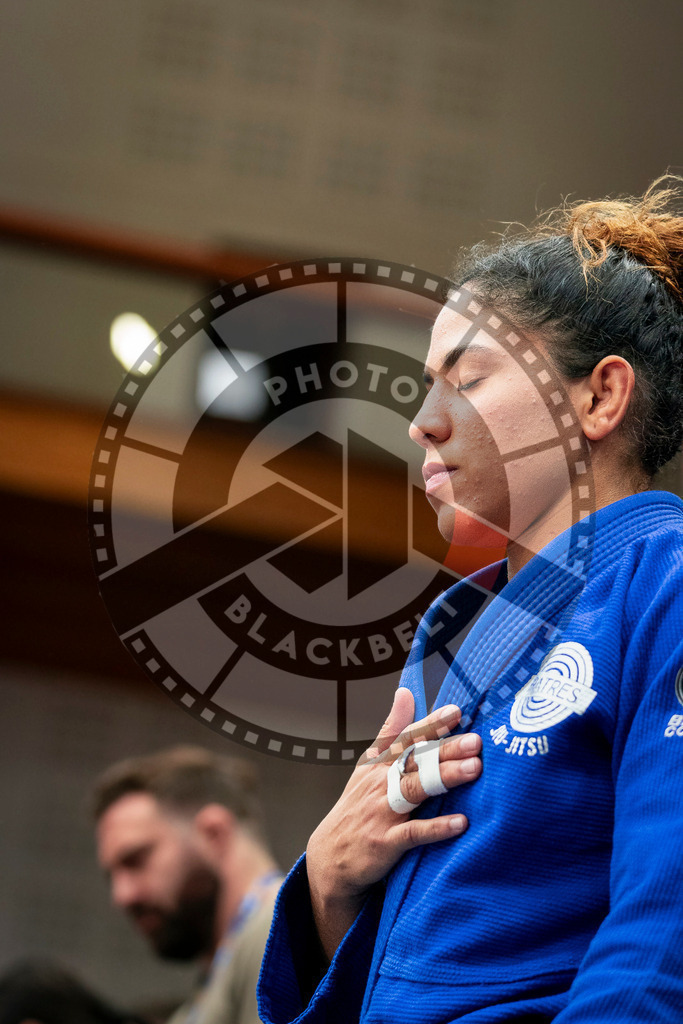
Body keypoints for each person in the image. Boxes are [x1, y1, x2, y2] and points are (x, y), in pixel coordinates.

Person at [257, 178, 683, 1023]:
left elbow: (662, 934)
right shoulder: (456, 623)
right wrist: (328, 883)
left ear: (598, 398)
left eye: (468, 378)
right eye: (424, 384)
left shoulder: (662, 585)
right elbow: (406, 948)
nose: (421, 421)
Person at [0, 746, 282, 1024]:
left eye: (136, 860)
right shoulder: (228, 964)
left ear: (214, 834)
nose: (121, 895)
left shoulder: (276, 932)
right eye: (112, 876)